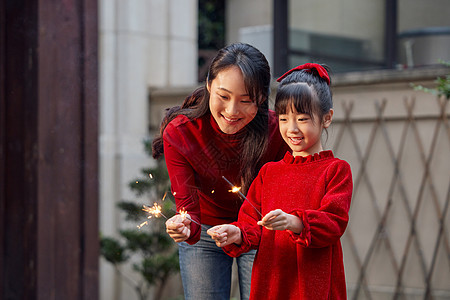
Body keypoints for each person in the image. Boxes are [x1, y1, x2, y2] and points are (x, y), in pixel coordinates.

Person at [152, 43, 289, 300]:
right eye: (223, 96)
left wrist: (249, 230)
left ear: (261, 98)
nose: (232, 111)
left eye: (246, 101)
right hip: (206, 229)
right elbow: (188, 211)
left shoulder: (277, 132)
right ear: (208, 85)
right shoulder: (181, 132)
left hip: (260, 228)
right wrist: (183, 225)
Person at [207, 63, 353, 299]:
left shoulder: (336, 170)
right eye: (284, 119)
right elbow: (252, 223)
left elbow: (333, 223)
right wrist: (236, 233)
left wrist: (295, 222)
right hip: (271, 280)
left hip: (312, 282)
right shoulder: (269, 172)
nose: (292, 128)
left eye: (303, 119)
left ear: (327, 118)